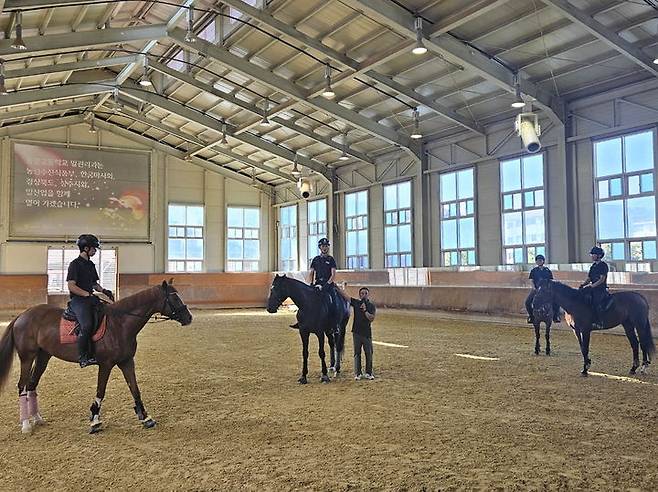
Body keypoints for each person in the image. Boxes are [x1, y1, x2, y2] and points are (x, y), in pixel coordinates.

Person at [67, 234, 114, 368]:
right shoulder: (74, 265)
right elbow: (71, 286)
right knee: (86, 325)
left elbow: (94, 284)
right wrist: (87, 295)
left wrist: (104, 291)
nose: (95, 251)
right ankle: (83, 357)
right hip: (78, 300)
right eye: (94, 248)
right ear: (86, 248)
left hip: (90, 298)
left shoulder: (91, 265)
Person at [289, 238, 337, 329]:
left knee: (333, 302)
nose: (325, 248)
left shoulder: (331, 260)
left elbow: (333, 274)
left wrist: (327, 285)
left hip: (328, 285)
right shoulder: (315, 259)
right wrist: (310, 284)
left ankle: (334, 325)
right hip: (317, 284)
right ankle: (302, 321)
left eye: (326, 246)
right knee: (306, 301)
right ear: (320, 247)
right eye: (323, 246)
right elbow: (311, 273)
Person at [337, 283, 376, 380]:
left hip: (367, 333)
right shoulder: (356, 303)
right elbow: (346, 297)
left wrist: (365, 310)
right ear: (359, 295)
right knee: (357, 353)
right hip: (356, 332)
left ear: (368, 295)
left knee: (368, 353)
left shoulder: (371, 306)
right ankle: (358, 373)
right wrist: (337, 288)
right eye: (362, 293)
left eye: (365, 293)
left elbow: (371, 318)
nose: (363, 295)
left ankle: (368, 372)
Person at [579, 246, 609, 330]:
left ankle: (599, 321)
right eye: (591, 254)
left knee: (596, 302)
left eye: (593, 254)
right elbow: (589, 278)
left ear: (599, 255)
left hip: (601, 289)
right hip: (592, 288)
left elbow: (602, 279)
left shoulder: (603, 265)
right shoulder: (593, 266)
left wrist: (591, 286)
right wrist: (583, 285)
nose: (592, 256)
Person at [525, 254, 560, 324]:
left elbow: (550, 280)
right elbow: (531, 280)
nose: (539, 262)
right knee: (527, 302)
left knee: (557, 301)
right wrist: (534, 288)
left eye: (541, 260)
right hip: (536, 289)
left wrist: (549, 288)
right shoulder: (534, 271)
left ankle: (555, 316)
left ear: (543, 261)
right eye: (538, 260)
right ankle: (531, 316)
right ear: (536, 262)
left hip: (546, 290)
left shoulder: (547, 270)